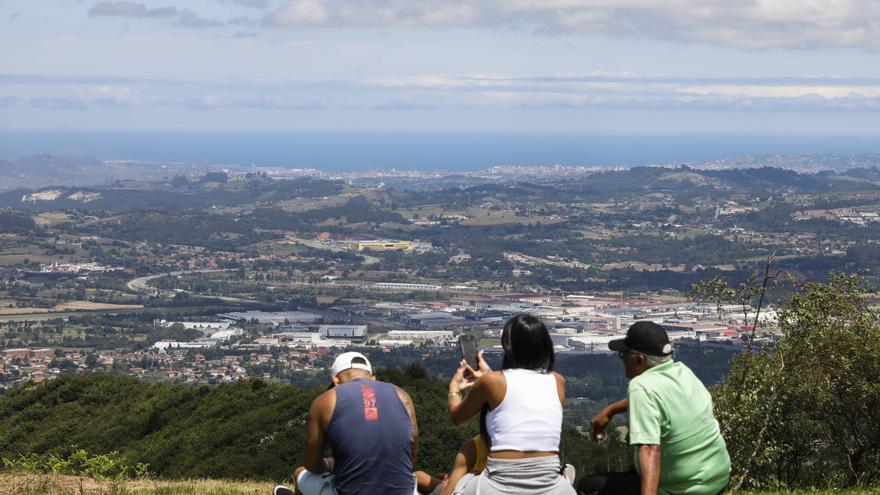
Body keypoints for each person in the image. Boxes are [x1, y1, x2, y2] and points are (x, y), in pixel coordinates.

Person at [578, 321, 731, 495]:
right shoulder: (682, 372)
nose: (621, 359)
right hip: (718, 478)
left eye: (622, 354)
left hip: (684, 488)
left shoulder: (640, 386)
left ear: (639, 359)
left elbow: (650, 450)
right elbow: (661, 400)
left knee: (589, 487)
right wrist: (610, 410)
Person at [447, 314, 576, 495]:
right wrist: (490, 377)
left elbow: (456, 416)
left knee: (464, 478)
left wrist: (454, 389)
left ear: (507, 345)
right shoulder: (558, 382)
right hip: (550, 481)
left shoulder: (491, 382)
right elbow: (522, 399)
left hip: (500, 482)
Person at [273, 351, 420, 495]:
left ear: (336, 380)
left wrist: (331, 464)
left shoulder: (326, 400)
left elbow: (311, 464)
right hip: (405, 490)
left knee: (300, 473)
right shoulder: (402, 395)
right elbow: (411, 454)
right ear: (373, 378)